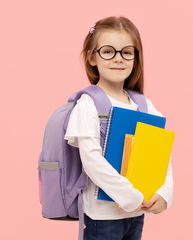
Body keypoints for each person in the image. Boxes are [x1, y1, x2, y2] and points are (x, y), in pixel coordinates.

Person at [64, 16, 173, 240]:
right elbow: (92, 161)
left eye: (126, 52)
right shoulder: (88, 104)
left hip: (136, 213)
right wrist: (130, 196)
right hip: (102, 217)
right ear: (92, 57)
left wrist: (164, 193)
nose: (118, 59)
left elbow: (160, 155)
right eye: (108, 51)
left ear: (135, 57)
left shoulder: (144, 105)